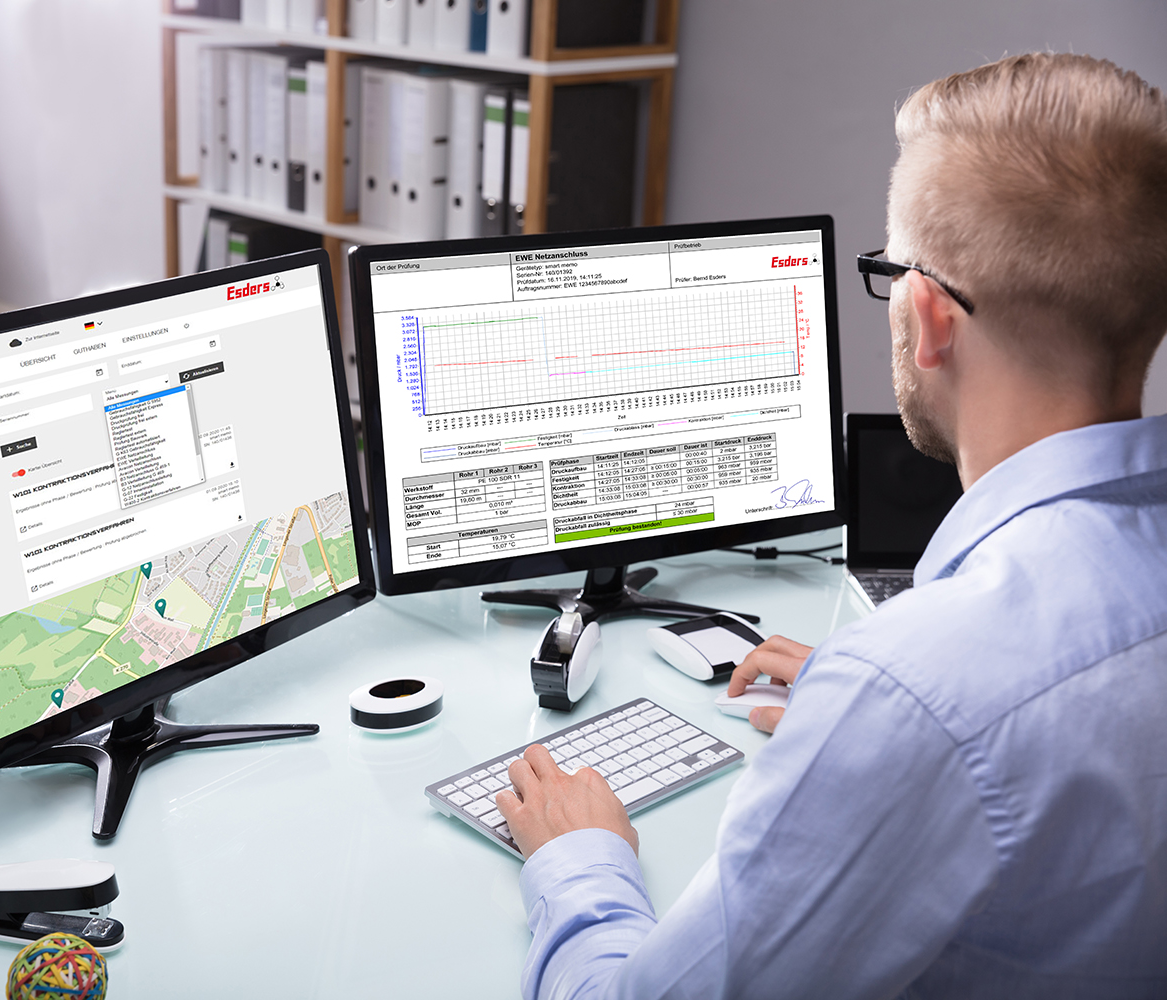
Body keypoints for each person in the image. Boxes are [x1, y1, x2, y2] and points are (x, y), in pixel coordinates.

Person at [495, 52, 1167, 998]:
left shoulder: (917, 694)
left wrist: (583, 862)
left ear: (929, 315)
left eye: (890, 271)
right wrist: (881, 712)